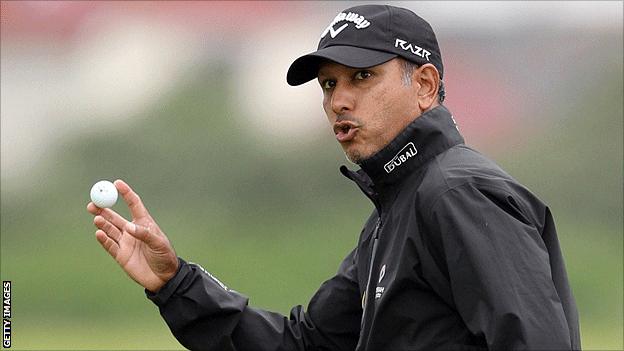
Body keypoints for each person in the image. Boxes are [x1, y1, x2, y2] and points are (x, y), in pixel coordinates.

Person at [87, 4, 581, 350]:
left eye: (362, 77)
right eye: (329, 84)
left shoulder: (457, 192)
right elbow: (305, 345)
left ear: (425, 85)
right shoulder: (395, 212)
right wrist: (176, 284)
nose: (338, 100)